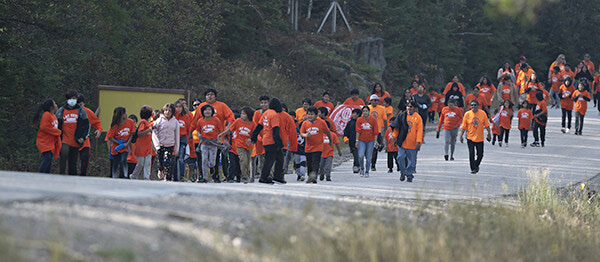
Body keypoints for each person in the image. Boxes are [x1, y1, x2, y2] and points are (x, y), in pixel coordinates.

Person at [190, 89, 235, 182]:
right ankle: (203, 176)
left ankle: (215, 176)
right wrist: (190, 132)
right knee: (202, 158)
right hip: (203, 139)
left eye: (212, 94)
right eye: (207, 95)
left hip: (217, 139)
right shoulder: (201, 107)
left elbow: (230, 116)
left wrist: (228, 126)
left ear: (215, 96)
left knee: (215, 158)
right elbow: (195, 122)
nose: (210, 96)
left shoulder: (222, 106)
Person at [251, 98, 285, 184]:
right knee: (270, 160)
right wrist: (279, 143)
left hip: (266, 140)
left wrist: (253, 136)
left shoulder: (266, 113)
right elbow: (275, 131)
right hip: (272, 141)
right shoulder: (274, 115)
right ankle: (264, 177)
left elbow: (259, 126)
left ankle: (277, 177)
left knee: (279, 158)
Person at [55, 90, 90, 175]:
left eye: (74, 98)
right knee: (63, 159)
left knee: (72, 163)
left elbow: (86, 125)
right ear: (67, 100)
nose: (72, 100)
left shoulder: (81, 111)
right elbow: (56, 125)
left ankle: (72, 179)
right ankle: (61, 176)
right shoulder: (61, 111)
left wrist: (83, 137)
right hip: (64, 140)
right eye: (70, 99)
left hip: (75, 140)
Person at [219, 107, 256, 183]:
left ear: (248, 115)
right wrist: (222, 134)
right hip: (239, 145)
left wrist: (251, 139)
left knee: (247, 162)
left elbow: (255, 134)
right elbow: (229, 129)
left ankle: (247, 175)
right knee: (243, 160)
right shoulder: (238, 121)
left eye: (243, 114)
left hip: (249, 146)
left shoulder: (253, 124)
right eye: (241, 113)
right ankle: (244, 177)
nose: (241, 115)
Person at [392, 100, 423, 182]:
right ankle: (402, 172)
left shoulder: (418, 118)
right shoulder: (402, 116)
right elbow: (396, 127)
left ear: (414, 108)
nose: (409, 108)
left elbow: (420, 130)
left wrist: (418, 141)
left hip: (413, 144)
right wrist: (394, 137)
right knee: (400, 157)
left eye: (411, 106)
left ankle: (409, 175)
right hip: (402, 142)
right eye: (408, 106)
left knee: (411, 162)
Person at [299, 106, 332, 183]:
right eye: (308, 114)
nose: (309, 116)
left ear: (316, 115)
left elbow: (327, 132)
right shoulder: (305, 123)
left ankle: (314, 176)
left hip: (318, 147)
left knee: (315, 161)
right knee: (309, 163)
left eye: (312, 114)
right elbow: (301, 133)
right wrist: (305, 135)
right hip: (308, 147)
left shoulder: (321, 122)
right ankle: (310, 176)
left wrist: (330, 140)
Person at [459, 100, 492, 174]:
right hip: (470, 137)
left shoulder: (482, 113)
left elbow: (487, 125)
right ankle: (473, 168)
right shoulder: (467, 114)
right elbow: (464, 126)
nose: (473, 107)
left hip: (479, 138)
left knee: (480, 154)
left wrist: (489, 134)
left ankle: (476, 165)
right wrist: (461, 136)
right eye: (472, 105)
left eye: (475, 105)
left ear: (478, 106)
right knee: (471, 153)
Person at [196, 104, 224, 183]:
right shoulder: (200, 121)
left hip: (213, 143)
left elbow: (221, 130)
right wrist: (199, 135)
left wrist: (219, 139)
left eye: (209, 110)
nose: (207, 111)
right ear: (202, 112)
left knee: (212, 161)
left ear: (212, 111)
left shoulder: (216, 120)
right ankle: (205, 177)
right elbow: (198, 130)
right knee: (204, 159)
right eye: (205, 110)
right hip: (204, 143)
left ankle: (212, 167)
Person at [152, 103, 180, 181]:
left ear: (172, 112)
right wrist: (156, 145)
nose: (167, 112)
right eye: (166, 110)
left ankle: (167, 177)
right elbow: (154, 132)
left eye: (169, 111)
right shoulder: (159, 120)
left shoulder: (175, 122)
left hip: (170, 145)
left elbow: (177, 135)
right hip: (160, 145)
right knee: (160, 161)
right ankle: (160, 169)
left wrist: (177, 148)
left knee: (167, 162)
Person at [76, 94, 102, 176]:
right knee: (71, 159)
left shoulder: (87, 112)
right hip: (73, 139)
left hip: (84, 140)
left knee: (85, 156)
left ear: (83, 104)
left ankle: (83, 174)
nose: (79, 107)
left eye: (80, 105)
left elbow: (97, 122)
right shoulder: (70, 112)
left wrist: (98, 130)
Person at [34, 99, 61, 174]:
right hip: (44, 141)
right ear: (51, 107)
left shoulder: (54, 117)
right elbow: (44, 127)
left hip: (50, 143)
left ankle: (46, 177)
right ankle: (40, 175)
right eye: (55, 103)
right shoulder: (46, 115)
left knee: (49, 160)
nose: (56, 105)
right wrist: (57, 132)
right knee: (47, 158)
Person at [107, 107, 135, 179]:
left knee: (123, 160)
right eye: (124, 113)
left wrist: (127, 143)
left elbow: (131, 134)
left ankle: (125, 175)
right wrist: (118, 142)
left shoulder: (130, 122)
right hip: (116, 148)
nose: (126, 115)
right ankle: (114, 176)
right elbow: (110, 137)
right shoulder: (115, 125)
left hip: (125, 146)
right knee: (115, 162)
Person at [131, 106, 154, 180]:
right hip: (141, 147)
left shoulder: (147, 123)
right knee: (140, 163)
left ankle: (147, 177)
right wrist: (148, 130)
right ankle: (134, 175)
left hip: (147, 147)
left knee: (147, 163)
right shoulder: (143, 122)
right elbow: (139, 133)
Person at [318, 107, 341, 181]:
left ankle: (328, 176)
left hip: (329, 153)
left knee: (328, 166)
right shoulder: (320, 134)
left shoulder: (332, 135)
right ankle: (322, 173)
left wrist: (339, 151)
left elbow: (337, 143)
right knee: (321, 166)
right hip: (321, 153)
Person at [355, 106, 379, 178]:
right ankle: (362, 168)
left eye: (366, 111)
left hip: (370, 140)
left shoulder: (373, 120)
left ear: (369, 112)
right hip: (362, 140)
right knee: (361, 155)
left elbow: (375, 131)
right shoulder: (359, 120)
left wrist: (375, 140)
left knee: (368, 157)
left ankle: (367, 171)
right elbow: (358, 131)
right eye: (364, 111)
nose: (365, 112)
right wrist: (357, 140)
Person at [368, 94, 388, 171]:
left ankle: (373, 164)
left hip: (378, 131)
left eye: (376, 100)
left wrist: (386, 130)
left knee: (375, 149)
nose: (374, 102)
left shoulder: (382, 109)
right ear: (370, 101)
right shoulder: (367, 108)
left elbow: (385, 120)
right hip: (368, 131)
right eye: (373, 100)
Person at [252, 95, 270, 182]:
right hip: (260, 141)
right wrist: (258, 137)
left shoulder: (272, 113)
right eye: (262, 103)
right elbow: (255, 127)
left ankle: (270, 175)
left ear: (268, 103)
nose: (264, 104)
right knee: (262, 159)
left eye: (265, 103)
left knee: (270, 158)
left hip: (270, 139)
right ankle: (263, 175)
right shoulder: (257, 113)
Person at [174, 99, 191, 182]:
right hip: (173, 140)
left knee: (181, 159)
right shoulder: (173, 117)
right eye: (176, 107)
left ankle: (181, 176)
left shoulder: (186, 117)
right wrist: (176, 112)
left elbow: (188, 130)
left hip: (182, 140)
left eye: (180, 107)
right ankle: (173, 176)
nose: (178, 108)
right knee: (173, 158)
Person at [343, 108, 361, 173]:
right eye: (352, 113)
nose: (353, 115)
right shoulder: (350, 122)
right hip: (352, 142)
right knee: (355, 155)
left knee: (360, 155)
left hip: (361, 141)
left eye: (354, 113)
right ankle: (356, 166)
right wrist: (345, 138)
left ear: (358, 114)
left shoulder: (362, 122)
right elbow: (346, 132)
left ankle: (358, 165)